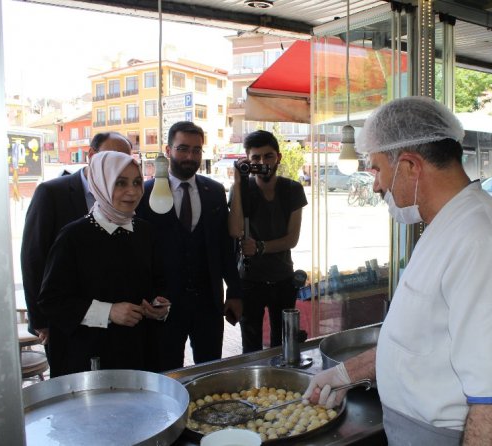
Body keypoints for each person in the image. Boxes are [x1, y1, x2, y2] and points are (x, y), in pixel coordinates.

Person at [303, 97, 492, 445]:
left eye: (376, 169)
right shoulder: (448, 226)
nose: (375, 185)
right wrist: (343, 374)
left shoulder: (484, 239)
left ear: (411, 166)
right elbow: (422, 340)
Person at [37, 151, 170, 377]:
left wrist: (159, 307)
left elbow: (159, 283)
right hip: (90, 359)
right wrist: (109, 312)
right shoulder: (73, 237)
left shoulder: (145, 232)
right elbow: (52, 301)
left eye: (137, 182)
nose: (133, 191)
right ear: (100, 183)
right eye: (120, 183)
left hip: (139, 354)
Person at [136, 121, 242, 370]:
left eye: (196, 150)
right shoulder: (146, 193)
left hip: (208, 304)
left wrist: (235, 292)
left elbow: (226, 246)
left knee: (210, 372)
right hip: (163, 306)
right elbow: (139, 252)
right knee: (166, 372)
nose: (190, 156)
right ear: (168, 149)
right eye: (183, 149)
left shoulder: (214, 191)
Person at [20, 132, 132, 355]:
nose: (118, 165)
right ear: (91, 155)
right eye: (111, 156)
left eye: (125, 159)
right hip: (67, 320)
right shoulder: (51, 193)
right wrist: (40, 320)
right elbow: (33, 258)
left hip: (117, 324)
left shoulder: (126, 198)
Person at [228, 130, 307, 353]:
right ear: (247, 160)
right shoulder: (242, 188)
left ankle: (281, 384)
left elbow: (292, 239)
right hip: (250, 281)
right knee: (250, 345)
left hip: (282, 278)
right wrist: (237, 182)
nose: (262, 163)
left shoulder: (292, 189)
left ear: (278, 157)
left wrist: (260, 247)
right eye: (255, 158)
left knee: (282, 343)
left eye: (268, 156)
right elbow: (235, 230)